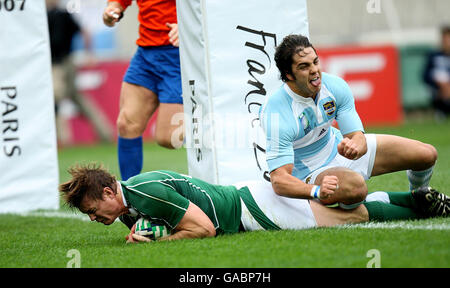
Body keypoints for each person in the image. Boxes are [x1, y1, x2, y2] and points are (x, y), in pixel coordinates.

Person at [259, 34, 438, 209]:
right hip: (311, 174)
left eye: (315, 62)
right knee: (356, 188)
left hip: (337, 149)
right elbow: (279, 180)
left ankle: (420, 198)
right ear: (289, 75)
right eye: (304, 66)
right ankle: (385, 200)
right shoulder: (275, 112)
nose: (314, 70)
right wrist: (315, 191)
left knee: (426, 154)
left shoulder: (335, 86)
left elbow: (356, 136)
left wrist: (355, 147)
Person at [59, 163, 449, 242]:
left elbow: (205, 229)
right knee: (346, 214)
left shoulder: (142, 191)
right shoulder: (130, 208)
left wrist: (159, 241)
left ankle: (414, 201)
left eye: (94, 210)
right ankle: (412, 199)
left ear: (110, 192)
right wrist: (141, 234)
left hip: (251, 210)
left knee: (349, 218)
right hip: (247, 200)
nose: (95, 219)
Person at [102, 0, 184, 181]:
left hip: (180, 54)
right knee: (126, 124)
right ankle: (130, 196)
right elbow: (118, 3)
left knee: (169, 138)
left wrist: (190, 26)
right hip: (146, 54)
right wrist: (112, 9)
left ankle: (211, 122)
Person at [46, 0, 113, 144]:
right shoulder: (51, 15)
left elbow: (84, 32)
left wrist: (90, 54)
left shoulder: (62, 15)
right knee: (76, 97)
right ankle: (104, 133)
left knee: (55, 98)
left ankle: (63, 139)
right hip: (57, 63)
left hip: (60, 64)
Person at [423, 25, 450, 120]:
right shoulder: (434, 56)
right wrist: (438, 84)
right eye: (444, 38)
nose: (446, 41)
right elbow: (425, 75)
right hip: (438, 89)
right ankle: (441, 111)